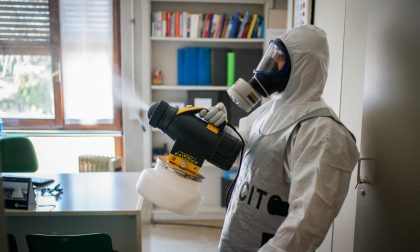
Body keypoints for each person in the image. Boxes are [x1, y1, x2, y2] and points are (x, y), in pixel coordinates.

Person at [200, 25, 359, 251]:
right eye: (271, 56)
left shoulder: (323, 132)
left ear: (303, 65)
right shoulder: (270, 110)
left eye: (280, 58)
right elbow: (241, 155)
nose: (271, 65)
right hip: (235, 239)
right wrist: (216, 131)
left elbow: (307, 222)